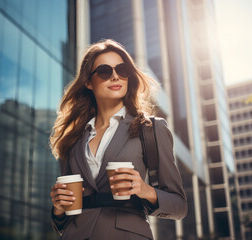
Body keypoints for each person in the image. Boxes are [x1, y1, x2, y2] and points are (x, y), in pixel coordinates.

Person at [49, 39, 187, 240]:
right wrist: (58, 209)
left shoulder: (150, 129)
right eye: (105, 71)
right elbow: (63, 221)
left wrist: (145, 189)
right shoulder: (72, 139)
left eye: (122, 70)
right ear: (88, 82)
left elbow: (179, 206)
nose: (115, 76)